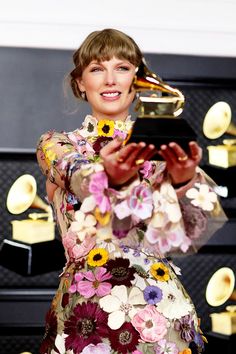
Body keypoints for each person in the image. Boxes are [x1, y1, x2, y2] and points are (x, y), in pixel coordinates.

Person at [37, 28, 226, 354]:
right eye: (97, 68)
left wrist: (183, 180)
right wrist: (109, 174)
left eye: (122, 68)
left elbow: (197, 231)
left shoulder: (163, 149)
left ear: (137, 81)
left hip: (163, 318)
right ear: (81, 82)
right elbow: (80, 178)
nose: (110, 79)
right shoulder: (58, 145)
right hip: (83, 321)